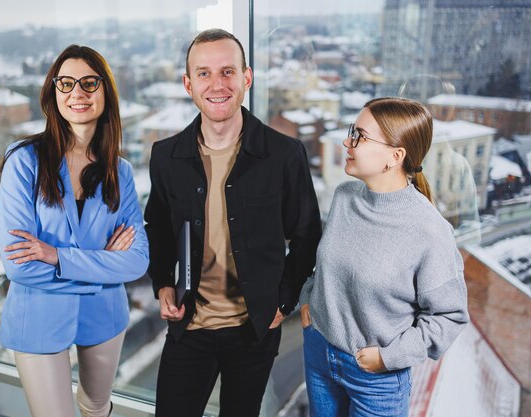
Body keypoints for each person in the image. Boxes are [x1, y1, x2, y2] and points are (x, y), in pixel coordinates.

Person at [144, 28, 321, 417]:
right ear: (189, 84)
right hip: (190, 326)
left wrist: (284, 300)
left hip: (255, 329)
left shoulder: (284, 155)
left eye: (228, 71)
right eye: (204, 73)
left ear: (247, 78)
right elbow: (156, 227)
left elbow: (307, 236)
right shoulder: (165, 156)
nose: (217, 84)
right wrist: (161, 285)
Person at [0, 45, 149, 417]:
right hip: (38, 317)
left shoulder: (121, 171)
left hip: (104, 315)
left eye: (88, 83)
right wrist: (102, 267)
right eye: (65, 83)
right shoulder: (24, 161)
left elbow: (137, 261)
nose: (77, 92)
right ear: (53, 94)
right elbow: (20, 266)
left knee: (97, 406)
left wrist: (57, 256)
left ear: (105, 92)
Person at [299, 97, 470, 417]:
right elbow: (325, 266)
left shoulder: (430, 231)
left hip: (375, 378)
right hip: (319, 353)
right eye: (352, 131)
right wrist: (308, 300)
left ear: (395, 156)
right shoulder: (344, 197)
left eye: (360, 136)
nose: (347, 141)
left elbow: (450, 317)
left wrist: (388, 358)